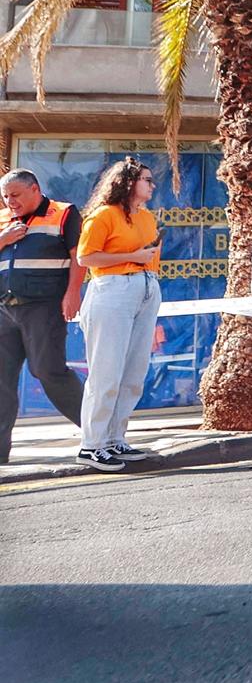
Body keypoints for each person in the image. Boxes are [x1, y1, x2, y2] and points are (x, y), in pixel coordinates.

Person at [74, 158, 163, 473]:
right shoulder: (103, 215)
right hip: (112, 290)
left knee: (133, 372)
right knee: (106, 372)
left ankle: (114, 438)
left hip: (145, 288)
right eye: (146, 180)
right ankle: (92, 444)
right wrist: (132, 256)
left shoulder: (147, 218)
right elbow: (85, 257)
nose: (152, 185)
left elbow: (151, 260)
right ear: (128, 183)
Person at [0, 168, 85, 467]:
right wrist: (3, 238)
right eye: (6, 196)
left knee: (49, 372)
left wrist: (73, 293)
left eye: (16, 195)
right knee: (1, 381)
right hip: (3, 310)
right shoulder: (3, 220)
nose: (10, 201)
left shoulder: (63, 213)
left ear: (35, 189)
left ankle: (98, 433)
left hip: (43, 307)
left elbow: (79, 256)